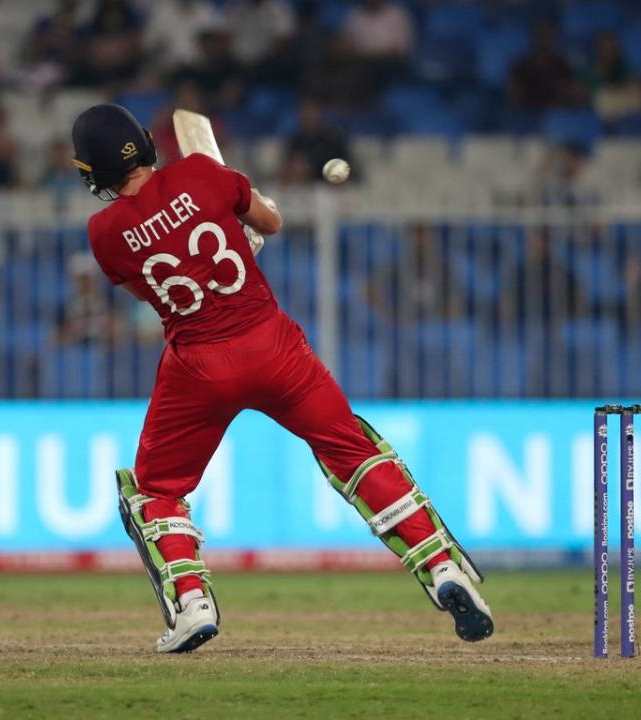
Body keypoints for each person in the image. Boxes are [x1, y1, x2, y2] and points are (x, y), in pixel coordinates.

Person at [71, 103, 494, 653]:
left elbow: (154, 296)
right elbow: (271, 221)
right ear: (145, 143)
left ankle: (192, 603)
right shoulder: (202, 174)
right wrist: (244, 231)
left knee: (154, 490)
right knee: (353, 451)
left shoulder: (104, 231)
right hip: (272, 345)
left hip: (197, 363)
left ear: (93, 171)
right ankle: (441, 567)